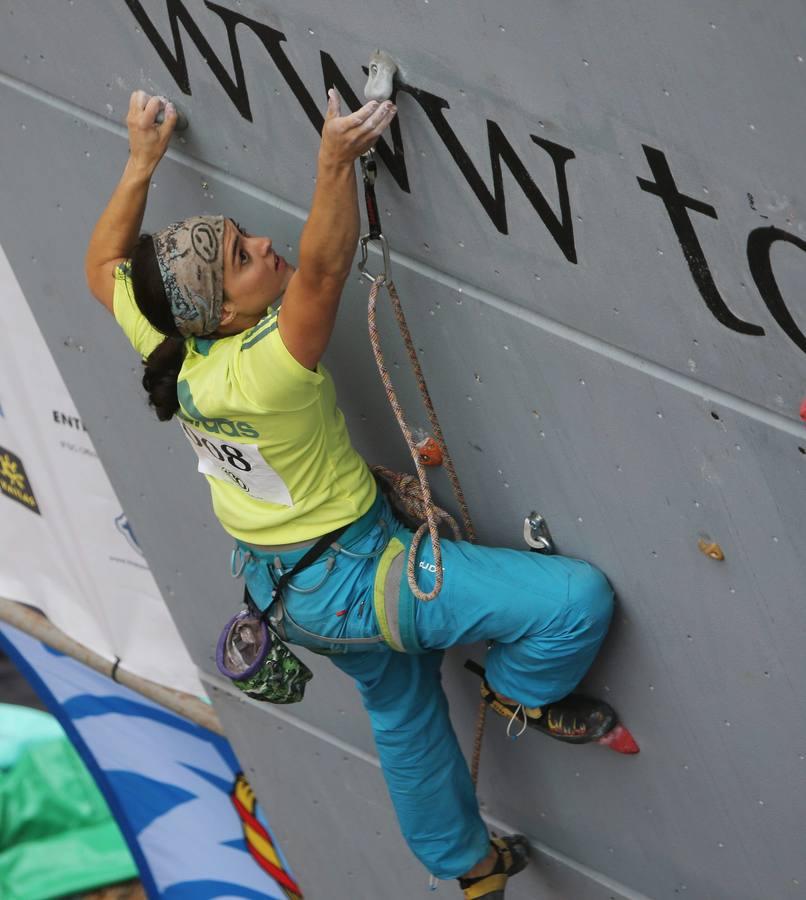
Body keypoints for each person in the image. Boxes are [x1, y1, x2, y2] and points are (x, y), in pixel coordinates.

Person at [86, 89, 617, 899]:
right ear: (224, 312)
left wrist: (139, 162)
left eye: (243, 237)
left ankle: (466, 870)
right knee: (574, 602)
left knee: (402, 715)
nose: (265, 245)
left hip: (288, 591)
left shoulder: (175, 344)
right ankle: (522, 694)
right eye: (240, 258)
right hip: (358, 578)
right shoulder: (263, 374)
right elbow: (328, 268)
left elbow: (102, 270)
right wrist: (334, 161)